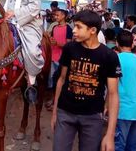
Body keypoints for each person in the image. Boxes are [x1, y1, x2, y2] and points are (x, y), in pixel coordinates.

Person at [51, 10, 120, 151]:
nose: (74, 30)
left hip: (92, 117)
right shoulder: (70, 49)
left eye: (78, 27)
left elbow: (113, 94)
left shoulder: (109, 56)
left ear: (92, 30)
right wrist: (55, 113)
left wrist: (110, 134)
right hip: (66, 113)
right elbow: (62, 80)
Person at [3, 0, 44, 101]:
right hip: (11, 21)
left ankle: (32, 81)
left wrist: (15, 13)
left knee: (32, 51)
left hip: (27, 24)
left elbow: (34, 7)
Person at [114, 30, 136, 151]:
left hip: (124, 109)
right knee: (133, 146)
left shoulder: (116, 59)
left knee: (119, 145)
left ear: (117, 43)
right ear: (132, 44)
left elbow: (113, 85)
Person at [46, 9, 72, 110]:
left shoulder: (68, 29)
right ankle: (53, 101)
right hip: (53, 57)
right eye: (55, 15)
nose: (55, 17)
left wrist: (57, 44)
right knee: (52, 80)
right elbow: (52, 40)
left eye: (57, 15)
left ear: (64, 16)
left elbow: (68, 45)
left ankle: (58, 102)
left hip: (62, 59)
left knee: (61, 80)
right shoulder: (54, 27)